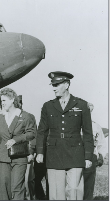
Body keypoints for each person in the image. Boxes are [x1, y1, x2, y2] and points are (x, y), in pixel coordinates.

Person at [36, 71, 94, 200]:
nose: (53, 88)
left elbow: (88, 133)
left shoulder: (81, 105)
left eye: (56, 85)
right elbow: (41, 131)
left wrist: (88, 156)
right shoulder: (47, 106)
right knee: (56, 193)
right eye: (53, 85)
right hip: (54, 154)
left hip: (75, 153)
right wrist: (40, 151)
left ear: (67, 85)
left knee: (74, 190)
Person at [0, 87, 36, 200]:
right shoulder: (1, 117)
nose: (2, 103)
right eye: (1, 101)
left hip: (19, 157)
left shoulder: (26, 116)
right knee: (3, 188)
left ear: (12, 100)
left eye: (4, 101)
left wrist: (16, 140)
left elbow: (31, 133)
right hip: (2, 157)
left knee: (17, 187)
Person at [83, 103, 108, 200]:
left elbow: (102, 143)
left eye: (90, 110)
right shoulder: (74, 125)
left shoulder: (96, 126)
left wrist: (101, 156)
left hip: (91, 158)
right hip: (75, 157)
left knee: (88, 186)